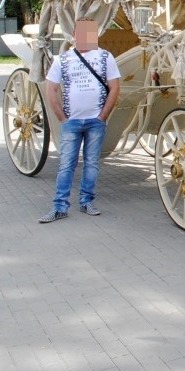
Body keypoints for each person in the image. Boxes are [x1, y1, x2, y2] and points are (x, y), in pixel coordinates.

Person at [39, 18, 120, 223]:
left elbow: (115, 87)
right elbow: (51, 89)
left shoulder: (105, 57)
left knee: (92, 164)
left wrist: (102, 116)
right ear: (74, 35)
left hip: (95, 121)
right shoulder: (63, 59)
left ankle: (86, 202)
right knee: (66, 164)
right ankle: (59, 206)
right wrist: (62, 118)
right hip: (72, 122)